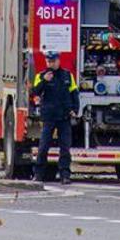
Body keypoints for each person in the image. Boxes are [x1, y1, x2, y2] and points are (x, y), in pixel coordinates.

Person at [31, 49, 80, 183]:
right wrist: (44, 81)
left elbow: (74, 93)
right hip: (49, 116)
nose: (50, 64)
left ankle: (65, 175)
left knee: (65, 148)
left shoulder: (67, 75)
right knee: (43, 147)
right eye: (48, 61)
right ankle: (39, 174)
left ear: (58, 60)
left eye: (53, 61)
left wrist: (75, 110)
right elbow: (35, 92)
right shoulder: (41, 76)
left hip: (64, 116)